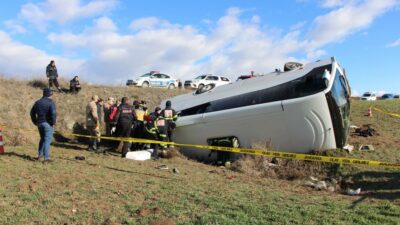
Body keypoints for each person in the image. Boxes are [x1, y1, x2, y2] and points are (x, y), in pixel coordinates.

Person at [30, 88, 57, 162]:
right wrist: (53, 122)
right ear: (49, 94)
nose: (52, 96)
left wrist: (35, 121)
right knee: (47, 140)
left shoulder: (37, 102)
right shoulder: (51, 102)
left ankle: (40, 156)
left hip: (39, 123)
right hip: (47, 124)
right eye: (51, 95)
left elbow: (32, 113)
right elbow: (53, 114)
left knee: (42, 139)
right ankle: (46, 158)